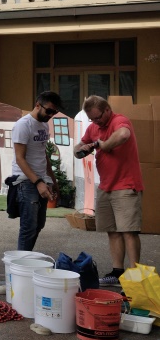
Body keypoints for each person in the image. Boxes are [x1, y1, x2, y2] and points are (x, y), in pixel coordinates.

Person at [74, 96, 144, 286]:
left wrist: (103, 145)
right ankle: (118, 272)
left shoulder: (119, 120)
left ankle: (136, 276)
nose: (96, 122)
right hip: (106, 186)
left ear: (107, 110)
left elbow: (123, 135)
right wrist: (84, 149)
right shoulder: (93, 127)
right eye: (92, 119)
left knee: (129, 231)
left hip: (126, 186)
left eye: (98, 117)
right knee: (112, 231)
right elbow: (77, 149)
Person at [10, 91, 62, 252]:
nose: (51, 115)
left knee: (38, 225)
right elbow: (20, 158)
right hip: (25, 181)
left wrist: (52, 180)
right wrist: (38, 182)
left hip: (42, 180)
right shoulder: (23, 125)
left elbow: (43, 154)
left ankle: (26, 258)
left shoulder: (44, 124)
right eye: (49, 111)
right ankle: (20, 265)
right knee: (29, 226)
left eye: (55, 112)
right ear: (38, 105)